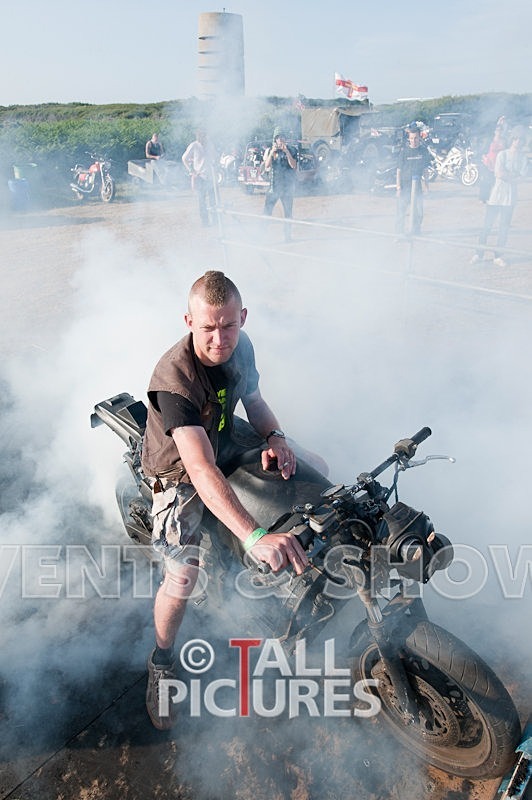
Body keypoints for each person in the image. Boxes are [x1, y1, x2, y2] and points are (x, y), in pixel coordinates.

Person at [140, 270, 315, 729]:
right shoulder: (174, 379)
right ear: (188, 322)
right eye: (208, 328)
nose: (220, 338)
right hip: (179, 468)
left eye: (229, 325)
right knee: (182, 575)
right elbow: (199, 469)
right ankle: (160, 661)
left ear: (243, 317)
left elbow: (253, 400)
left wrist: (276, 436)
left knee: (318, 469)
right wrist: (256, 535)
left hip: (223, 435)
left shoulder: (243, 346)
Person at [471, 126, 528, 267]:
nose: (518, 142)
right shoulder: (502, 154)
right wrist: (514, 176)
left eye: (520, 139)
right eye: (516, 139)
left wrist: (510, 176)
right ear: (512, 140)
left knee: (504, 228)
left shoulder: (523, 157)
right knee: (487, 226)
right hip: (495, 196)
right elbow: (499, 173)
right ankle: (479, 253)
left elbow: (523, 176)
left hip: (510, 199)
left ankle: (498, 255)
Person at [395, 123, 432, 237]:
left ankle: (416, 232)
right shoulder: (404, 152)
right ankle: (399, 233)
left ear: (419, 137)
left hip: (417, 188)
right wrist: (398, 187)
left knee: (419, 212)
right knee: (401, 212)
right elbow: (399, 171)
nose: (414, 141)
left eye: (416, 138)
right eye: (411, 138)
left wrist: (427, 186)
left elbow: (425, 170)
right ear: (409, 139)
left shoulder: (423, 151)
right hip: (405, 186)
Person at [263, 127, 297, 241]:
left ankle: (287, 236)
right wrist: (272, 151)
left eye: (282, 137)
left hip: (287, 188)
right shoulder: (270, 151)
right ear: (275, 140)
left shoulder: (292, 150)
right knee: (267, 212)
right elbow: (267, 165)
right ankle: (261, 235)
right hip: (274, 188)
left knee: (288, 214)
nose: (280, 140)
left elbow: (294, 166)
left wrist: (286, 152)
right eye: (278, 138)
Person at [181, 131, 216, 226]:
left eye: (205, 136)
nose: (204, 138)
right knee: (202, 200)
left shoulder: (210, 145)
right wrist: (192, 171)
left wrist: (214, 165)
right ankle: (205, 222)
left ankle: (216, 221)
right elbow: (184, 158)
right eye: (202, 136)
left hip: (210, 176)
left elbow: (213, 157)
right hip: (200, 177)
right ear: (199, 137)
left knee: (213, 199)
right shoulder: (194, 145)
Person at [478, 124, 506, 203]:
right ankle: (483, 198)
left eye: (500, 130)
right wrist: (484, 158)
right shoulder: (489, 140)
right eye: (497, 130)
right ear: (494, 131)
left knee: (498, 182)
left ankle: (497, 198)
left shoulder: (504, 141)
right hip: (489, 164)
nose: (499, 132)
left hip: (499, 165)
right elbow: (483, 151)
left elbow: (506, 152)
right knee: (486, 181)